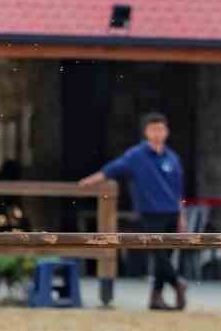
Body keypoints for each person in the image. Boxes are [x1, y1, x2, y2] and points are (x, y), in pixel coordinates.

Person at [79, 112, 187, 310]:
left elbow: (179, 190)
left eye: (161, 129)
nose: (157, 134)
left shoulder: (173, 158)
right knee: (159, 253)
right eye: (153, 129)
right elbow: (111, 170)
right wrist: (88, 182)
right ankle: (177, 283)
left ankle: (156, 297)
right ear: (146, 132)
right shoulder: (136, 156)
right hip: (150, 213)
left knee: (165, 257)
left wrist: (182, 214)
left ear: (167, 131)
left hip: (171, 211)